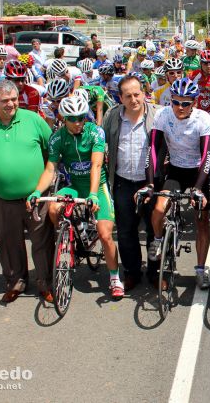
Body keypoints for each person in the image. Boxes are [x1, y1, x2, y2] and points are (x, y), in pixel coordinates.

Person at [28, 95, 124, 299]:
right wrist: (37, 192)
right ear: (63, 118)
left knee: (105, 234)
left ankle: (115, 277)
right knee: (53, 208)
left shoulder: (95, 132)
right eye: (72, 118)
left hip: (96, 187)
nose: (78, 122)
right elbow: (50, 169)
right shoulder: (57, 138)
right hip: (73, 185)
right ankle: (67, 238)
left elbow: (97, 164)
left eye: (82, 117)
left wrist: (92, 194)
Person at [0, 81, 54, 305]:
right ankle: (16, 281)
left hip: (36, 196)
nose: (11, 104)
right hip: (2, 198)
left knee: (42, 241)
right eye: (5, 100)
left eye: (14, 99)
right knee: (8, 241)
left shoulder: (33, 119)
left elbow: (50, 151)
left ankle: (45, 282)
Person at [136, 78, 210, 289]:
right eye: (175, 102)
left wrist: (198, 189)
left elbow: (206, 156)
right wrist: (151, 184)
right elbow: (152, 149)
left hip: (199, 172)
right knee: (159, 209)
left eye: (186, 103)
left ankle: (200, 269)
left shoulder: (203, 119)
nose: (180, 107)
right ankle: (159, 240)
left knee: (202, 218)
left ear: (194, 103)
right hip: (176, 170)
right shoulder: (163, 115)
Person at [104, 75, 162, 290]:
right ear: (120, 98)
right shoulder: (112, 116)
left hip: (151, 182)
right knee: (126, 231)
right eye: (128, 96)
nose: (133, 99)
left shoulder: (158, 114)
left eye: (137, 94)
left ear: (144, 93)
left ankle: (155, 272)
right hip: (123, 181)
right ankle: (132, 272)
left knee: (154, 229)